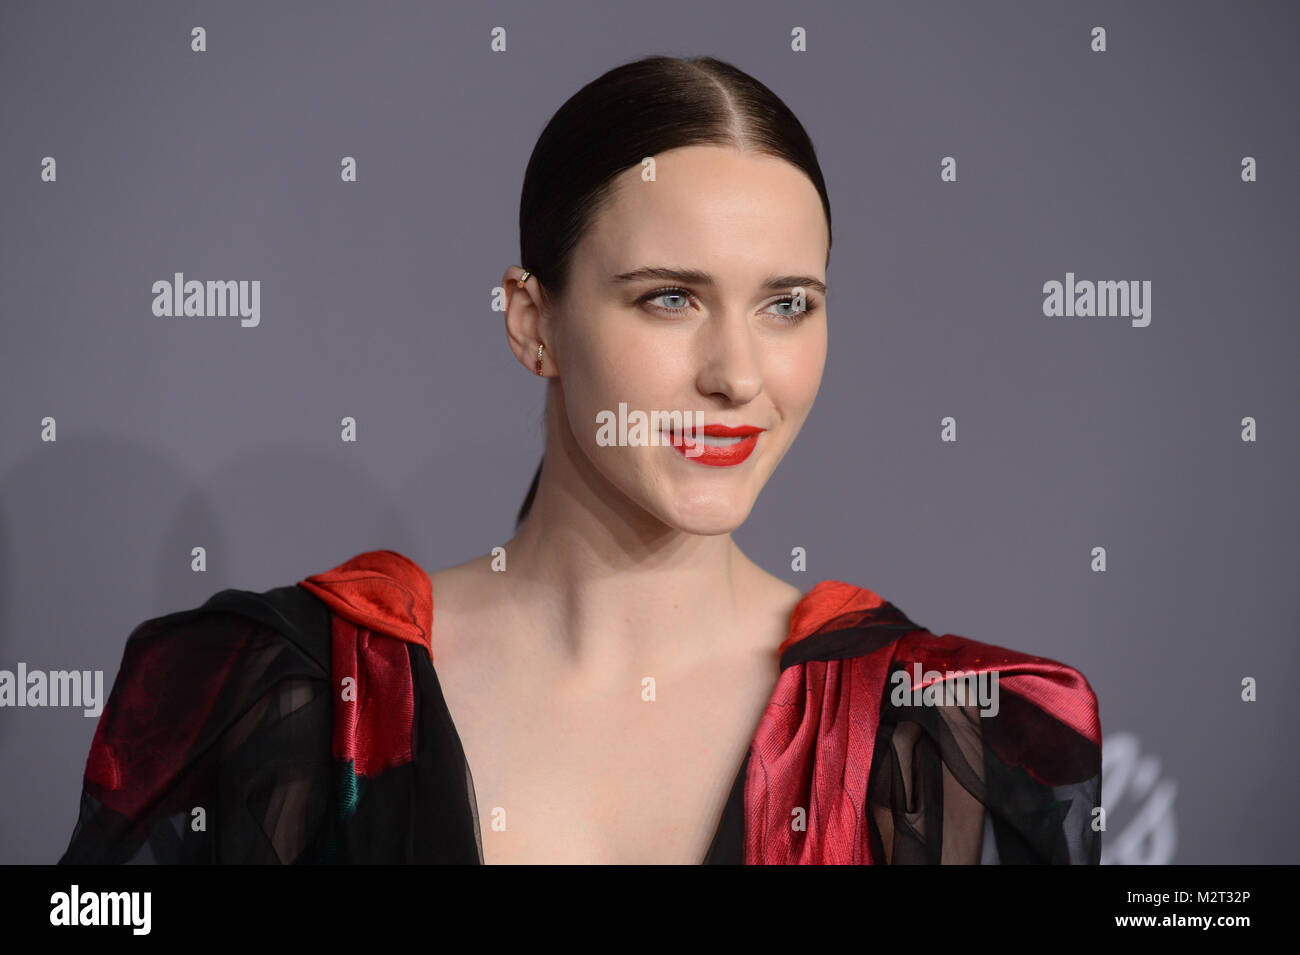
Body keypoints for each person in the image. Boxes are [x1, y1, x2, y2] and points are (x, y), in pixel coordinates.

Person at [58, 54, 1101, 865]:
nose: (737, 373)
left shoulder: (941, 730)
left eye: (787, 305)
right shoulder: (284, 686)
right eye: (669, 298)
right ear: (531, 322)